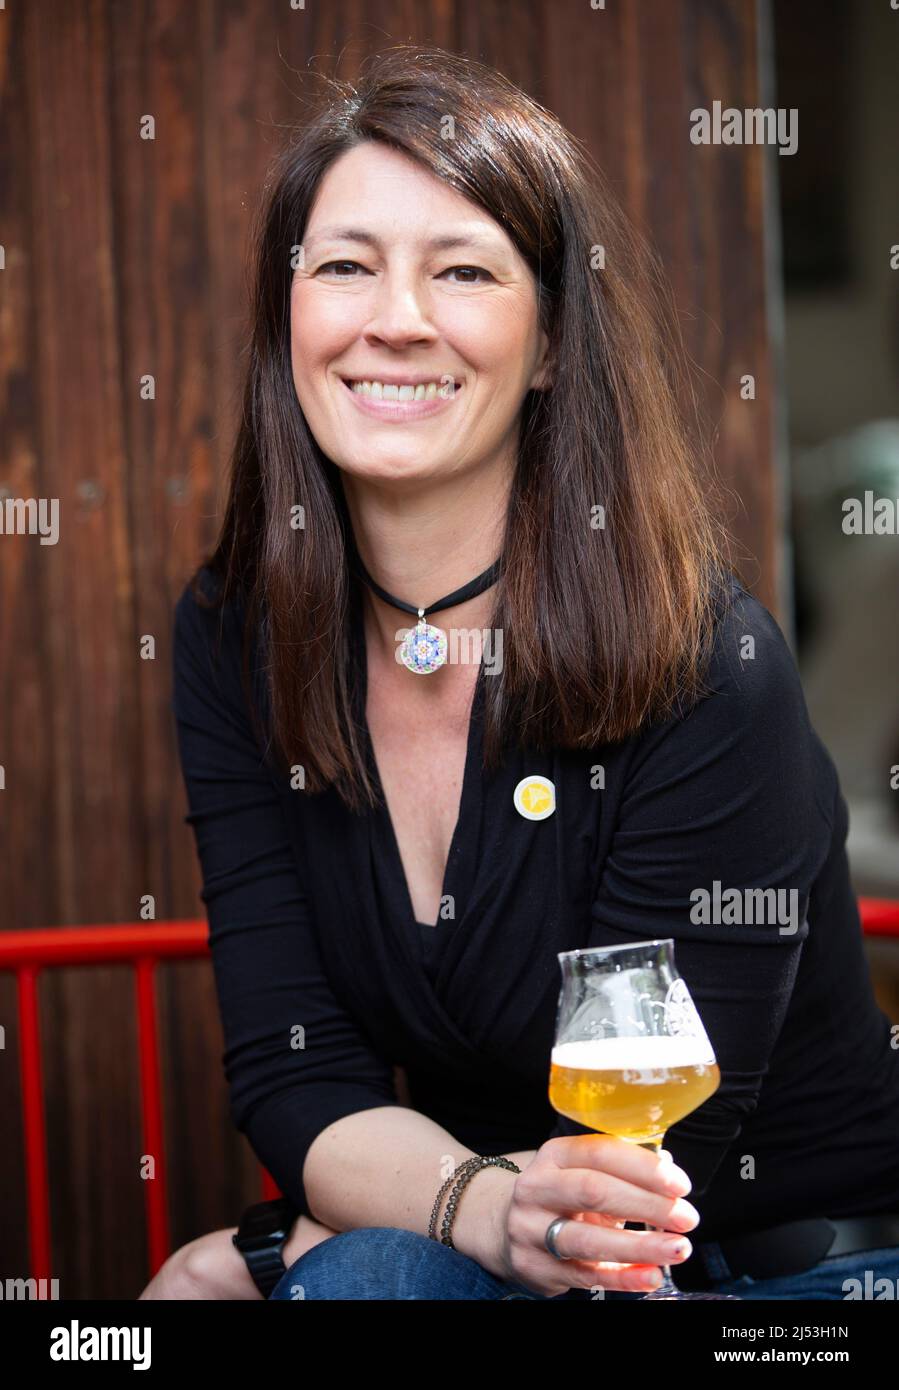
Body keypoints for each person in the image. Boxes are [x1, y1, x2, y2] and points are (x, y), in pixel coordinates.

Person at [140, 46, 899, 1301]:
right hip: (500, 1235)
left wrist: (284, 1243)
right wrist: (462, 1210)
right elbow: (298, 1072)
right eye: (343, 265)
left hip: (789, 1272)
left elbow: (646, 1160)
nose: (394, 316)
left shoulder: (706, 662)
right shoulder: (235, 633)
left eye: (463, 270)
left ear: (548, 345)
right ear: (288, 319)